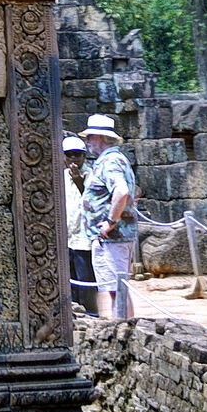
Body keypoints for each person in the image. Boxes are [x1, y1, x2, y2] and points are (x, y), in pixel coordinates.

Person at [80, 113, 138, 318]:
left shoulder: (110, 161)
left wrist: (110, 222)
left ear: (102, 138)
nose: (88, 141)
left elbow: (121, 191)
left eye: (91, 136)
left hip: (112, 238)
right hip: (114, 237)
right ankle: (125, 327)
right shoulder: (113, 160)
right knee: (117, 289)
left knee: (116, 290)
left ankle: (123, 329)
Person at [62, 134, 93, 298]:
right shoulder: (60, 176)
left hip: (84, 237)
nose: (73, 158)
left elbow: (93, 203)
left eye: (77, 154)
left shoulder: (92, 175)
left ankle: (90, 309)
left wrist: (79, 183)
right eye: (69, 154)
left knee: (85, 279)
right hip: (66, 236)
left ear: (84, 156)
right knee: (69, 280)